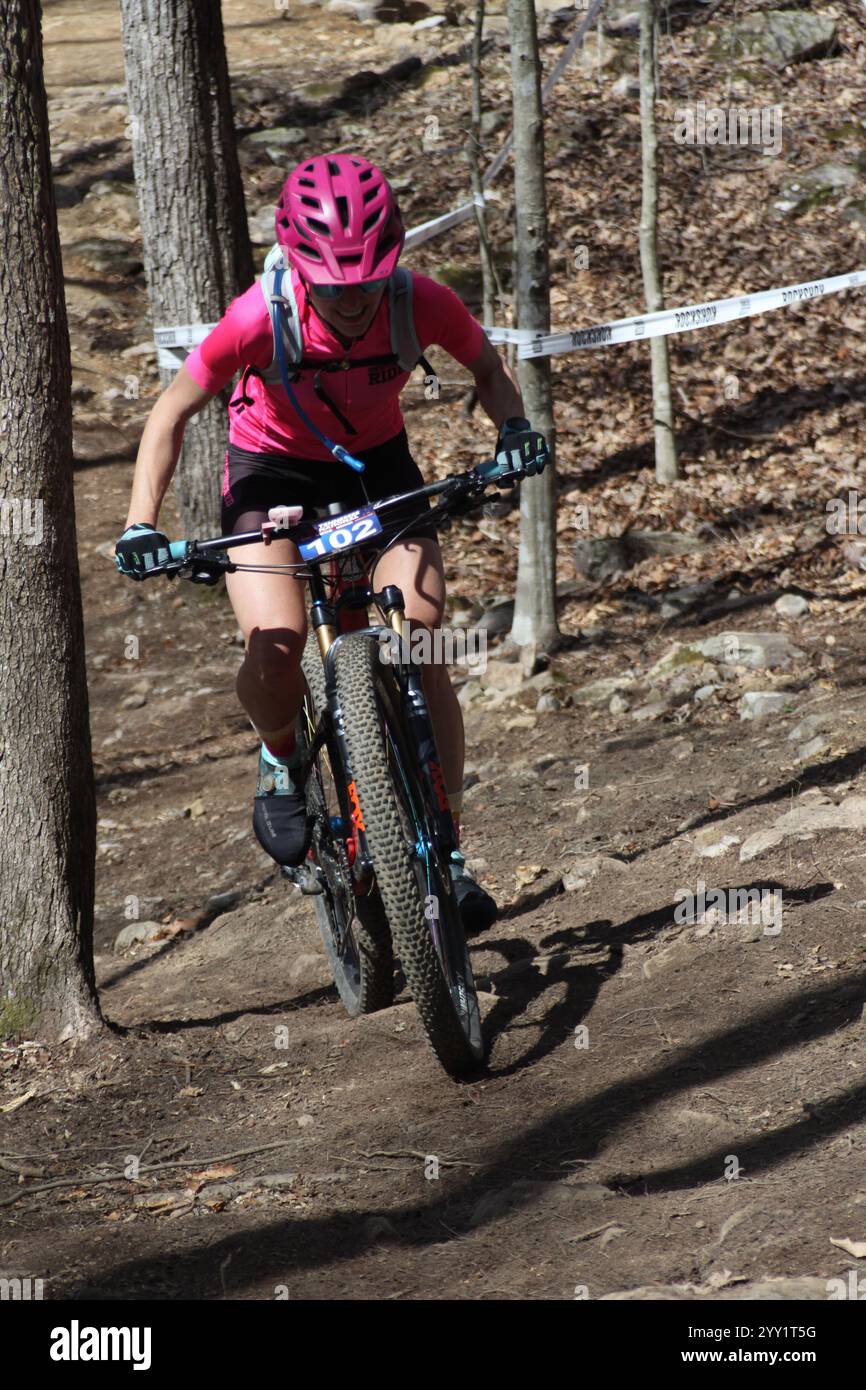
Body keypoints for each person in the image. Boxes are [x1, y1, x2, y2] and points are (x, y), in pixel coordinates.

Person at [115, 152, 549, 935]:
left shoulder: (421, 303)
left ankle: (445, 855)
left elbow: (488, 369)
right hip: (268, 476)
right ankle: (282, 756)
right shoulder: (257, 316)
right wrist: (141, 522)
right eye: (334, 287)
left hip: (375, 471)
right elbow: (170, 414)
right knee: (275, 649)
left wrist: (513, 428)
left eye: (366, 284)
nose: (351, 303)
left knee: (421, 642)